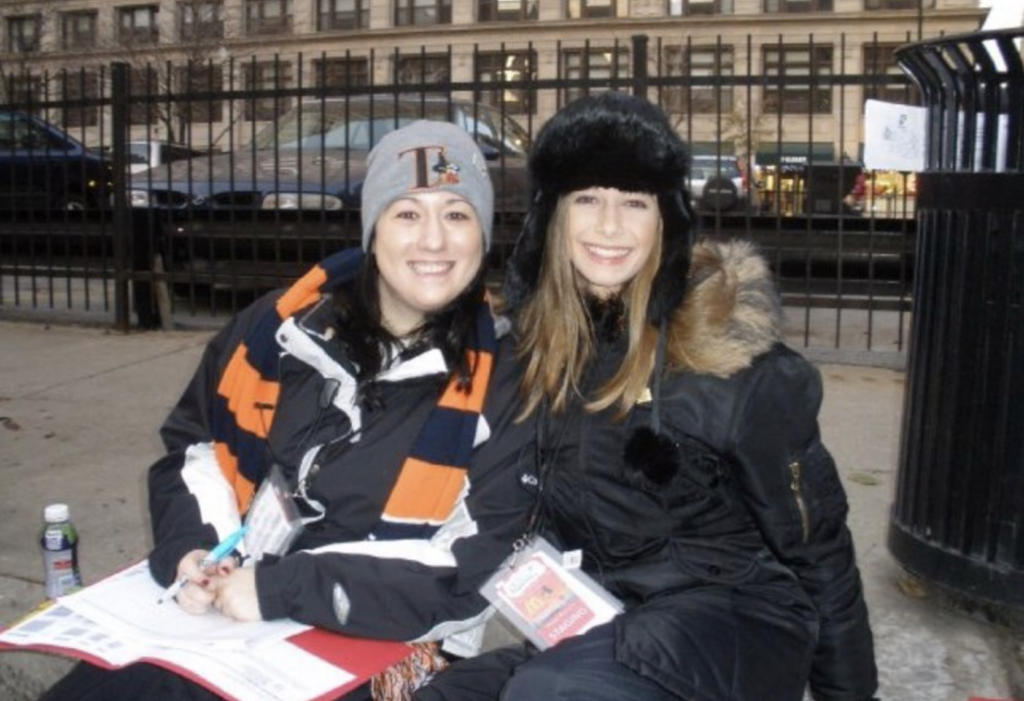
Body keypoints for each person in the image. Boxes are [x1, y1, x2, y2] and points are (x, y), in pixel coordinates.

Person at [39, 120, 533, 701]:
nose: (433, 241)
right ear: (373, 228)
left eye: (456, 214)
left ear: (483, 232)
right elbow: (197, 449)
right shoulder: (275, 329)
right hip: (238, 602)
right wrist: (194, 552)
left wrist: (281, 589)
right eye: (406, 213)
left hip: (389, 639)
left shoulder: (507, 379)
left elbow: (470, 568)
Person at [416, 92, 878, 701]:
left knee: (550, 692)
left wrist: (850, 696)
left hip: (733, 622)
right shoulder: (530, 354)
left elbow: (819, 545)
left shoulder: (726, 361)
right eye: (587, 200)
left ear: (666, 218)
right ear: (552, 217)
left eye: (634, 202)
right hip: (600, 627)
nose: (610, 226)